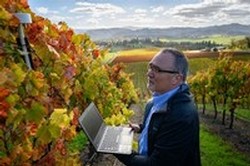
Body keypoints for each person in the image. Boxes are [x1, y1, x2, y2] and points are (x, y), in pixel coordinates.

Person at [114, 48, 201, 166]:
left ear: (176, 78)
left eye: (157, 69)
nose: (149, 73)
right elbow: (159, 126)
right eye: (150, 67)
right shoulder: (157, 101)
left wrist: (117, 148)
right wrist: (140, 128)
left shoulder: (180, 116)